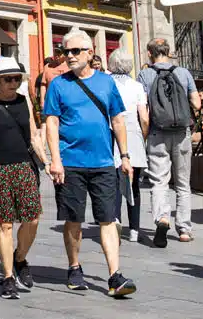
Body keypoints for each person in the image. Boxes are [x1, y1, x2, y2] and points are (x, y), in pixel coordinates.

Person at [42, 29, 136, 299]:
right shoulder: (59, 84)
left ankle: (115, 275)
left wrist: (125, 156)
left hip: (104, 162)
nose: (68, 56)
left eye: (74, 52)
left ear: (90, 53)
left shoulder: (106, 83)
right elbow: (51, 122)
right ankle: (74, 267)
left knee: (108, 219)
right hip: (70, 162)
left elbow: (118, 120)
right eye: (65, 51)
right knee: (73, 220)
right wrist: (55, 161)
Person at [0, 56, 47, 300]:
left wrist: (47, 162)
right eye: (9, 79)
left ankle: (20, 258)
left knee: (33, 218)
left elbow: (34, 134)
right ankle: (7, 277)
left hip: (24, 166)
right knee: (4, 223)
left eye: (17, 79)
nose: (14, 83)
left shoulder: (23, 101)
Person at [141, 37, 201, 247]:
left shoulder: (145, 74)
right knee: (183, 183)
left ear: (150, 53)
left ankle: (162, 218)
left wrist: (144, 134)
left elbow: (144, 110)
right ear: (169, 52)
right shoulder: (183, 73)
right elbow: (197, 103)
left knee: (159, 181)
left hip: (158, 132)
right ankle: (184, 229)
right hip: (182, 133)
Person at [107, 51, 148, 243]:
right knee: (134, 184)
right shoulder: (138, 86)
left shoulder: (106, 83)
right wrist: (143, 137)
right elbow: (145, 118)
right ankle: (134, 230)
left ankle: (115, 219)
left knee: (114, 183)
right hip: (133, 134)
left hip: (111, 134)